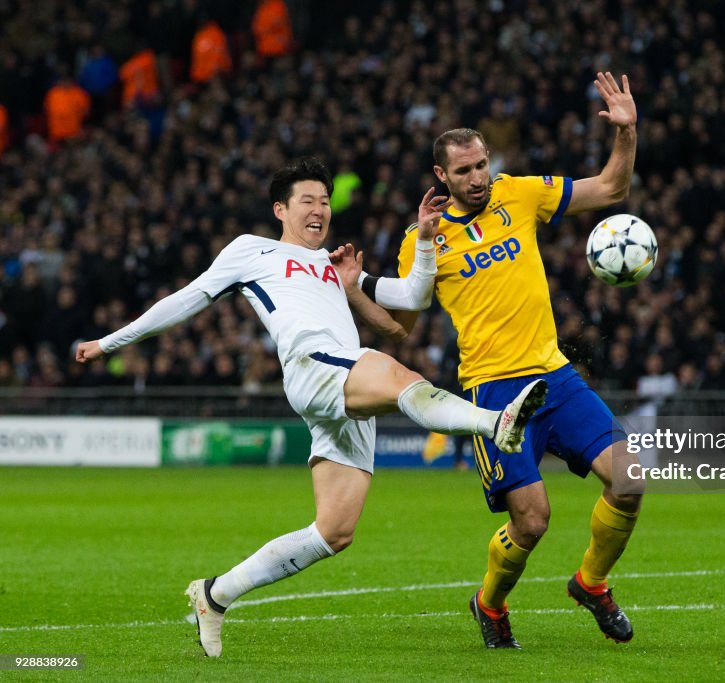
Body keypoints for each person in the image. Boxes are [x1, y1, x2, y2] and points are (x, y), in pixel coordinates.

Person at [75, 157, 547, 657]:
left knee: (334, 531)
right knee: (401, 377)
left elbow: (413, 298)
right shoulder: (251, 251)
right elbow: (187, 299)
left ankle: (215, 595)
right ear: (281, 209)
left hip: (340, 384)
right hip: (312, 366)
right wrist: (109, 343)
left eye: (325, 200)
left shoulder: (332, 265)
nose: (319, 209)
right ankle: (496, 423)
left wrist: (422, 241)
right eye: (308, 200)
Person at [378, 72, 641, 648]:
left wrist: (625, 132)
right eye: (464, 170)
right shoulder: (422, 239)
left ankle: (591, 584)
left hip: (555, 376)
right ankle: (489, 604)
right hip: (493, 394)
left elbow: (611, 190)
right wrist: (367, 283)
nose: (478, 179)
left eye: (482, 166)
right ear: (440, 176)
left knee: (629, 480)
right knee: (532, 520)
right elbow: (402, 324)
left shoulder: (519, 193)